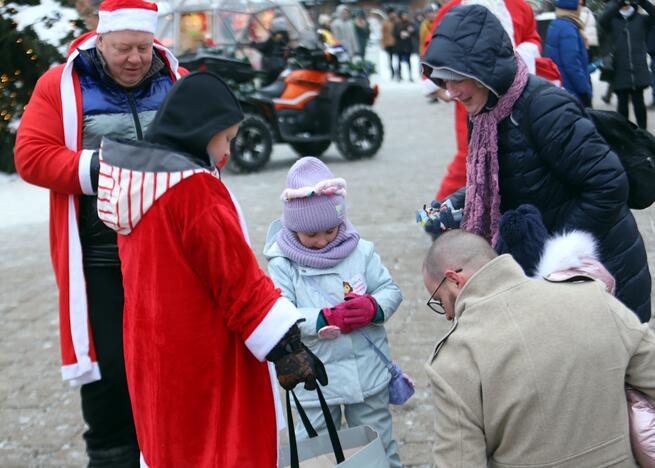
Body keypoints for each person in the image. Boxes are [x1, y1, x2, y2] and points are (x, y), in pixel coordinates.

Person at [96, 71, 327, 467]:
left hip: (155, 353)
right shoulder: (193, 190)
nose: (227, 153)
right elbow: (235, 277)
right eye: (227, 139)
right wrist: (285, 346)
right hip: (205, 352)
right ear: (202, 131)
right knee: (221, 449)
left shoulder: (138, 187)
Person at [14, 0, 184, 465]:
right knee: (110, 369)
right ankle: (113, 455)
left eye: (143, 48)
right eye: (123, 48)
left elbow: (214, 143)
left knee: (173, 362)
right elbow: (30, 155)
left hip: (169, 253)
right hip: (101, 255)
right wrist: (105, 167)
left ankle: (171, 449)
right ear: (100, 38)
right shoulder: (61, 84)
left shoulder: (177, 79)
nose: (134, 58)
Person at [422, 4, 651, 320]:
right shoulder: (486, 112)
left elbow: (608, 185)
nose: (451, 91)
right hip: (559, 282)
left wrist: (551, 250)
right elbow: (500, 178)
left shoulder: (544, 107)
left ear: (483, 69)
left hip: (605, 274)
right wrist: (456, 203)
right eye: (443, 80)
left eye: (456, 78)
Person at [422, 229, 655, 467]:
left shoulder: (455, 358)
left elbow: (459, 461)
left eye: (440, 302)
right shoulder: (592, 297)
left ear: (454, 279)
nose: (448, 315)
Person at [263, 157, 403, 468]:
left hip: (365, 375)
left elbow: (391, 290)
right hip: (313, 378)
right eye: (310, 235)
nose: (322, 241)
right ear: (292, 227)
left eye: (330, 230)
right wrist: (323, 318)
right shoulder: (281, 263)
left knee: (379, 447)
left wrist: (374, 306)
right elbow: (280, 312)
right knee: (317, 454)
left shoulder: (360, 250)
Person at [422, 0, 543, 201]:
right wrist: (436, 85)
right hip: (471, 98)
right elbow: (435, 48)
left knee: (514, 155)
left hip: (515, 95)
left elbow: (532, 39)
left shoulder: (520, 7)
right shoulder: (452, 9)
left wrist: (522, 56)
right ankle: (439, 216)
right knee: (470, 158)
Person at [599, 0, 655, 129]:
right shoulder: (612, 19)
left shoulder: (641, 19)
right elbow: (601, 21)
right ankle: (625, 137)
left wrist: (643, 1)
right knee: (622, 107)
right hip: (619, 70)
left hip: (638, 69)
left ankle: (643, 136)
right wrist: (618, 4)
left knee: (639, 105)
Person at [545, 0, 593, 106]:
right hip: (571, 92)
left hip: (560, 88)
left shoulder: (555, 23)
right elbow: (572, 65)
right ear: (572, 6)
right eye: (579, 5)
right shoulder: (569, 28)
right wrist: (585, 91)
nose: (581, 8)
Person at [250, 17, 290, 86]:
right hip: (282, 64)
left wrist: (253, 44)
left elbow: (265, 46)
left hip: (271, 65)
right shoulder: (286, 36)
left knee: (266, 84)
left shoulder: (276, 37)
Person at [394, 11, 416, 81]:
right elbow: (394, 33)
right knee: (399, 61)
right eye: (404, 15)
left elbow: (414, 32)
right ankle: (399, 76)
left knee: (409, 61)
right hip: (400, 45)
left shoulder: (410, 23)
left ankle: (410, 76)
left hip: (407, 44)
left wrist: (410, 32)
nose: (405, 17)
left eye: (406, 15)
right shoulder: (397, 24)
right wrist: (400, 34)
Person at [382, 7, 398, 79]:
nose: (393, 14)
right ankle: (392, 73)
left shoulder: (397, 21)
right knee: (390, 59)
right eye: (391, 13)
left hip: (397, 43)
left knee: (398, 59)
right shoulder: (385, 22)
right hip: (389, 43)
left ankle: (398, 72)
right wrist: (383, 43)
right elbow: (383, 34)